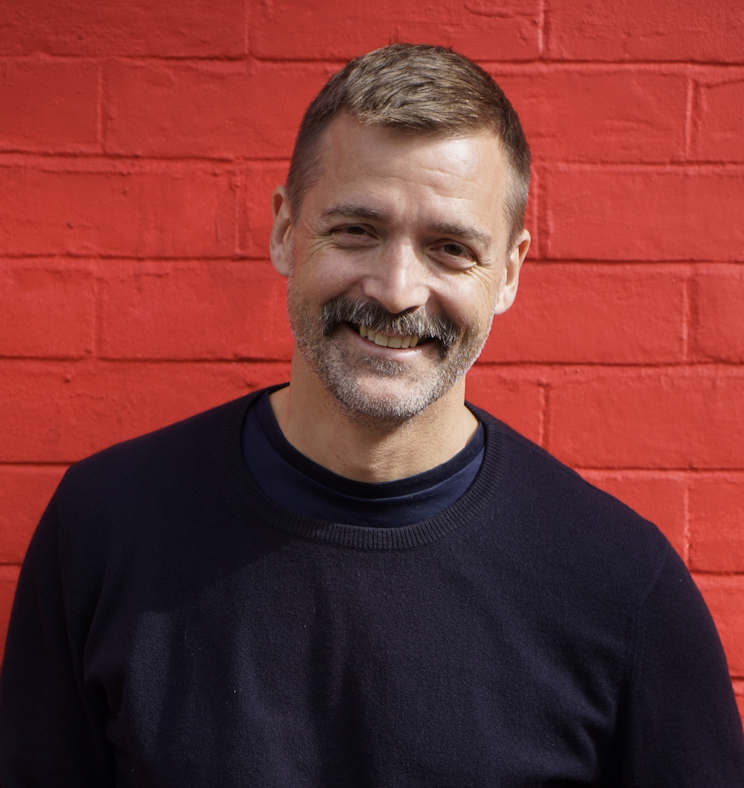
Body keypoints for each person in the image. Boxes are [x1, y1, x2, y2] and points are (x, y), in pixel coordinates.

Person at [1, 44, 743, 787]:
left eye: (450, 248)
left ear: (509, 273)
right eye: (357, 230)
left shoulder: (621, 586)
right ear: (285, 231)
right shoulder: (106, 526)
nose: (396, 290)